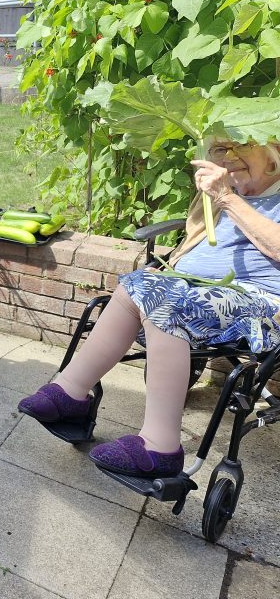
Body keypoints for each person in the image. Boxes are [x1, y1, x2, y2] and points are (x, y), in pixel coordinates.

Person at [18, 138, 280, 478]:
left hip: (260, 306)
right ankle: (70, 394)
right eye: (221, 151)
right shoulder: (227, 194)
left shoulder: (234, 197)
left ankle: (161, 448)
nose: (229, 159)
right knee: (135, 284)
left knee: (161, 297)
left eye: (242, 149)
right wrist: (169, 268)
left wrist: (226, 199)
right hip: (194, 292)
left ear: (273, 154)